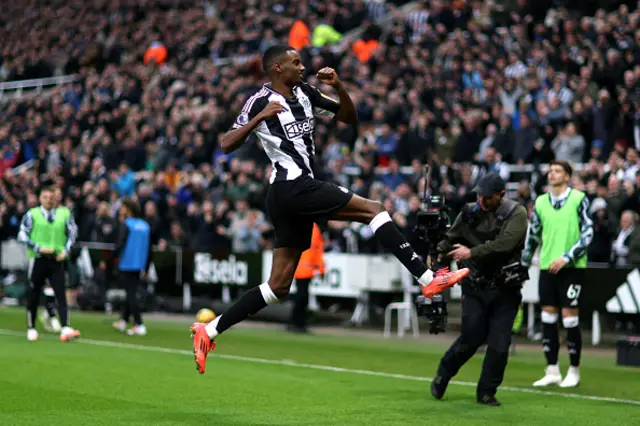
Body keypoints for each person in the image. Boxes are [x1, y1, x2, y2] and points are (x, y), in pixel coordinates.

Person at [190, 44, 469, 374]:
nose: (303, 67)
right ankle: (426, 278)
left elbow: (348, 117)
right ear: (277, 68)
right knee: (375, 208)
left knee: (278, 287)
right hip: (290, 187)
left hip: (290, 194)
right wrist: (259, 120)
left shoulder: (306, 93)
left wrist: (337, 86)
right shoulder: (259, 101)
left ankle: (208, 331)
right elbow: (225, 144)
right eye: (296, 63)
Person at [431, 173, 529, 406]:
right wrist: (435, 254)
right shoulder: (469, 212)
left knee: (499, 343)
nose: (482, 201)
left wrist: (471, 253)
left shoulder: (517, 214)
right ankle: (444, 373)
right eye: (479, 196)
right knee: (471, 337)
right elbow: (450, 238)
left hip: (506, 288)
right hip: (475, 286)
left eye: (487, 197)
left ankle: (486, 391)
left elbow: (505, 245)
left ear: (501, 195)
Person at [522, 160, 593, 388]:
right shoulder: (541, 202)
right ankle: (552, 369)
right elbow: (533, 235)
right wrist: (524, 263)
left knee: (570, 318)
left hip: (571, 268)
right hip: (546, 267)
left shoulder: (579, 199)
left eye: (557, 171)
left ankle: (574, 369)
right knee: (548, 318)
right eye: (550, 171)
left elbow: (588, 233)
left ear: (568, 175)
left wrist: (567, 257)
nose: (552, 174)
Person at [18, 186, 80, 342]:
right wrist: (38, 247)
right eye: (45, 197)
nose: (49, 200)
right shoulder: (32, 214)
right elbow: (22, 234)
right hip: (38, 258)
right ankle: (31, 326)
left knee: (60, 293)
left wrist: (66, 250)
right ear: (40, 198)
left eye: (51, 197)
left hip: (56, 258)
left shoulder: (62, 214)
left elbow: (72, 232)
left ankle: (65, 326)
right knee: (33, 293)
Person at [109, 199, 152, 336]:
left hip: (127, 263)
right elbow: (150, 249)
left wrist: (109, 260)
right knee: (131, 292)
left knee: (131, 294)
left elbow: (120, 244)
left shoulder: (126, 224)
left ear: (128, 209)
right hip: (139, 264)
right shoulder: (145, 226)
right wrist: (147, 267)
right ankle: (123, 320)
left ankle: (139, 323)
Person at [288, 222, 325, 333]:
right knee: (302, 296)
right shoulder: (313, 228)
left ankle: (296, 323)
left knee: (301, 296)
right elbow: (318, 250)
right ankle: (297, 323)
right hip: (304, 269)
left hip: (303, 268)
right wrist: (321, 269)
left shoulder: (301, 226)